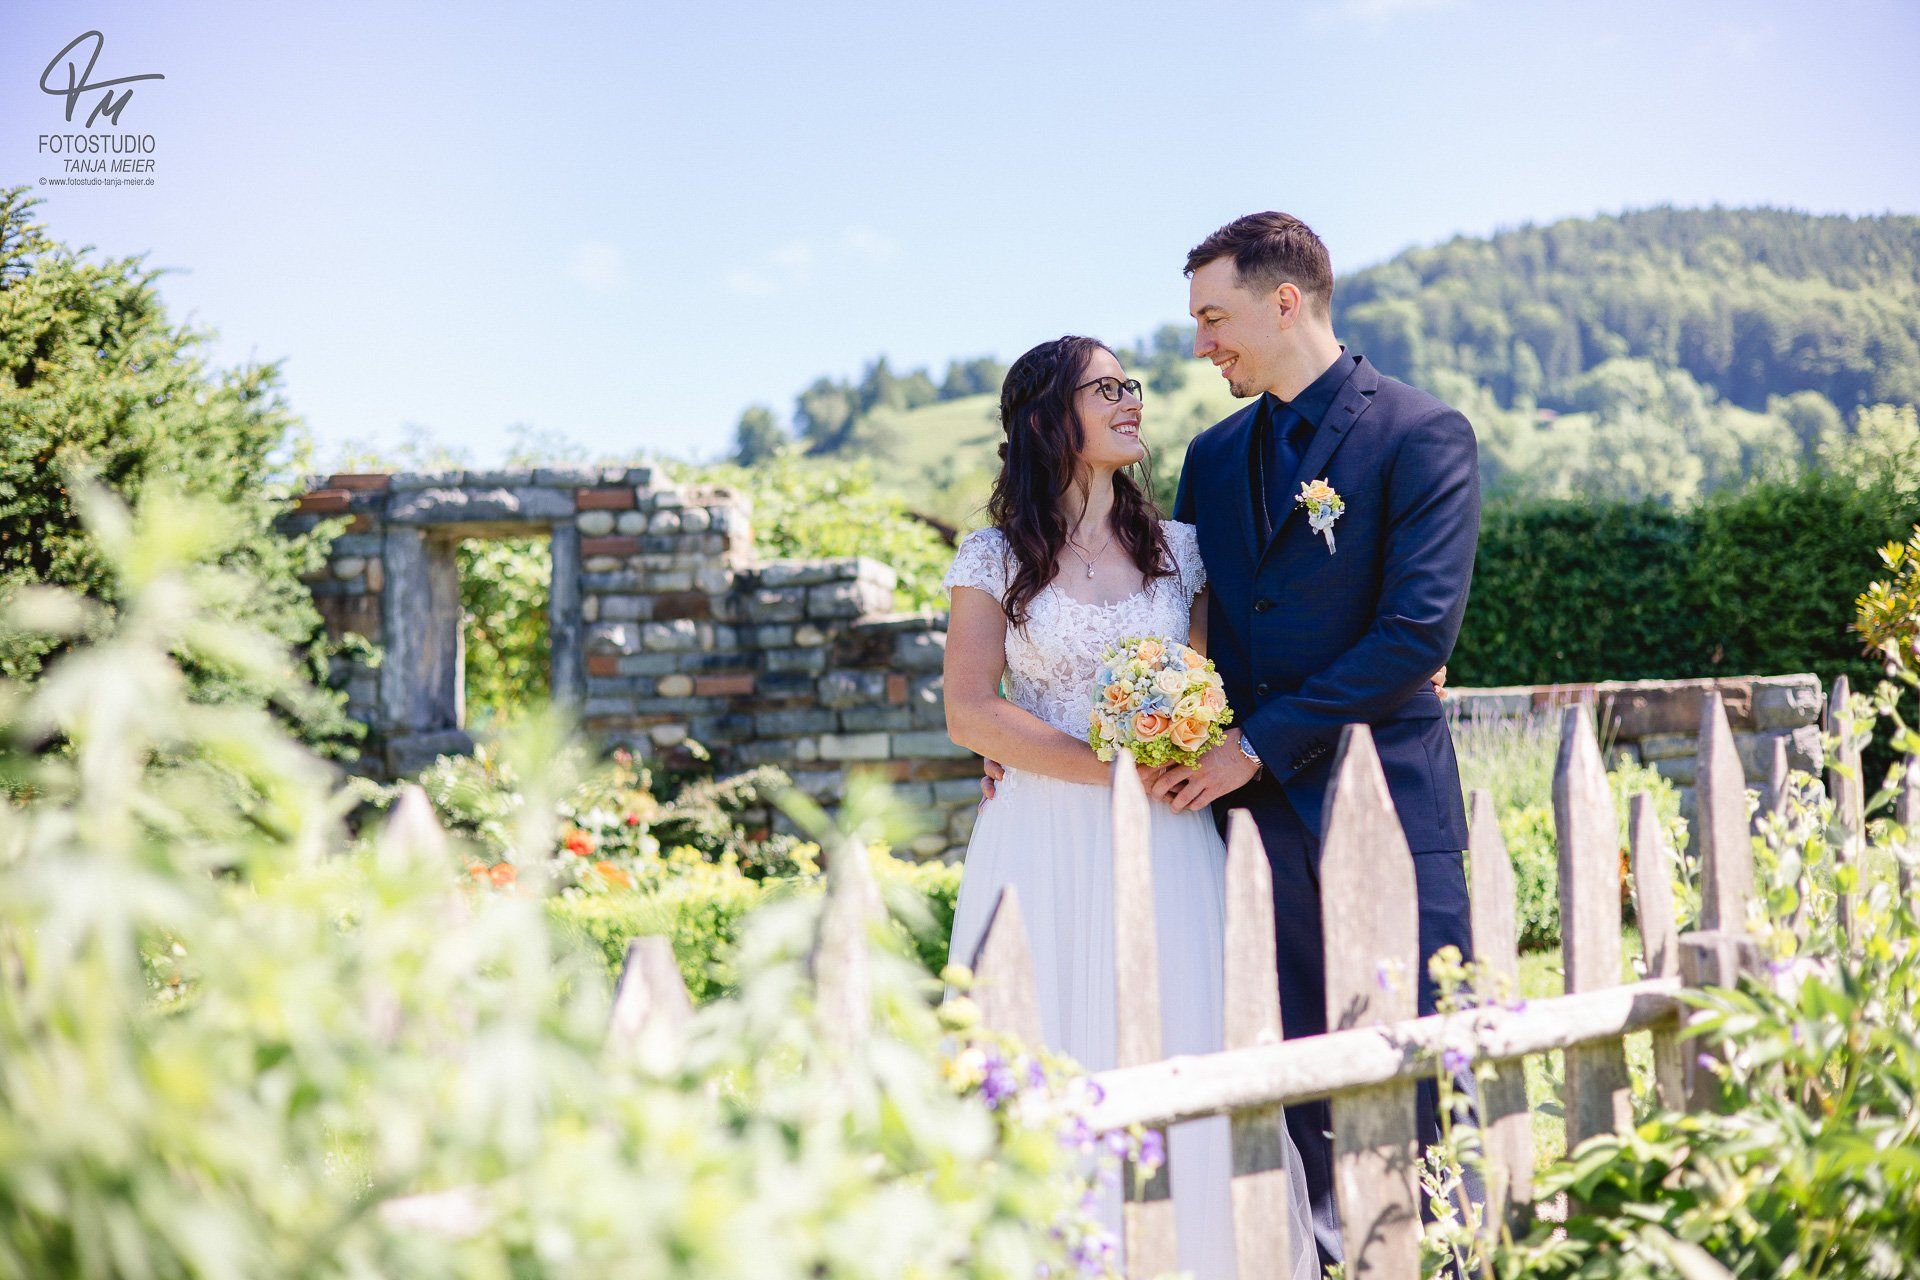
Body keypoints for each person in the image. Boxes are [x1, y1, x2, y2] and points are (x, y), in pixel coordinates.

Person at [942, 335, 1318, 1280]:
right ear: (1047, 418)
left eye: (1130, 385)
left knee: (1185, 1031)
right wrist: (1103, 766)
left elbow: (1202, 689)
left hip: (1167, 832)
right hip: (1040, 835)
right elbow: (971, 710)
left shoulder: (1180, 551)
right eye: (1105, 388)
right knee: (1045, 1042)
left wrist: (1171, 743)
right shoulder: (991, 556)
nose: (1130, 401)